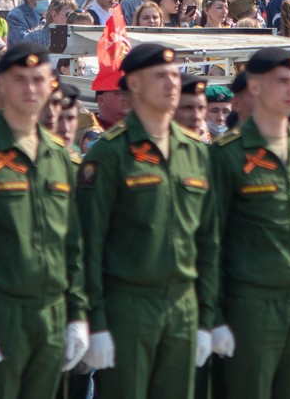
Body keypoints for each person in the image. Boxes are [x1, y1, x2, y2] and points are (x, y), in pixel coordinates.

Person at [0, 44, 88, 397]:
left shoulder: (62, 158)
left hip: (52, 313)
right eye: (19, 80)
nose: (30, 89)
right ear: (2, 87)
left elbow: (75, 244)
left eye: (39, 80)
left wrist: (78, 314)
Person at [75, 42, 214, 397]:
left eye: (174, 75)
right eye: (160, 76)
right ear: (133, 85)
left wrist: (207, 316)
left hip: (183, 305)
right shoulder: (109, 153)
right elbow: (88, 244)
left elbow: (209, 241)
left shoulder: (195, 151)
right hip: (127, 306)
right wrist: (96, 322)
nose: (172, 83)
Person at [201, 46, 290, 396]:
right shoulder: (226, 155)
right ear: (257, 88)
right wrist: (213, 317)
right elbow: (208, 242)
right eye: (282, 82)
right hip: (248, 306)